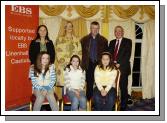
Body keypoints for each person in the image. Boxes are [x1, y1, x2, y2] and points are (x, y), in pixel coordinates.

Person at [80, 21, 108, 100]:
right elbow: (81, 53)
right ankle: (89, 102)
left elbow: (106, 54)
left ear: (99, 29)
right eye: (93, 28)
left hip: (99, 65)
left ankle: (98, 101)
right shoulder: (84, 40)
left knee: (100, 84)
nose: (95, 30)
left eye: (97, 28)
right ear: (90, 29)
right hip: (88, 64)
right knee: (89, 83)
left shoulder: (104, 40)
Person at [108, 25, 132, 111]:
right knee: (112, 87)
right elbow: (109, 55)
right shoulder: (111, 42)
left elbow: (127, 55)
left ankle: (123, 105)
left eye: (119, 31)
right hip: (112, 69)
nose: (118, 32)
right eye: (116, 31)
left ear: (123, 32)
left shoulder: (128, 41)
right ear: (114, 33)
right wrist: (111, 64)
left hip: (123, 68)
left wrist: (119, 64)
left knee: (123, 87)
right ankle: (112, 103)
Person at [55, 21, 82, 86]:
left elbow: (79, 53)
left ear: (72, 28)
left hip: (74, 67)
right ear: (65, 28)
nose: (69, 27)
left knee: (73, 86)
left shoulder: (77, 40)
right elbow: (58, 53)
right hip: (63, 66)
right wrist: (68, 62)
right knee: (64, 85)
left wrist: (74, 64)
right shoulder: (59, 39)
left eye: (71, 26)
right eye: (67, 26)